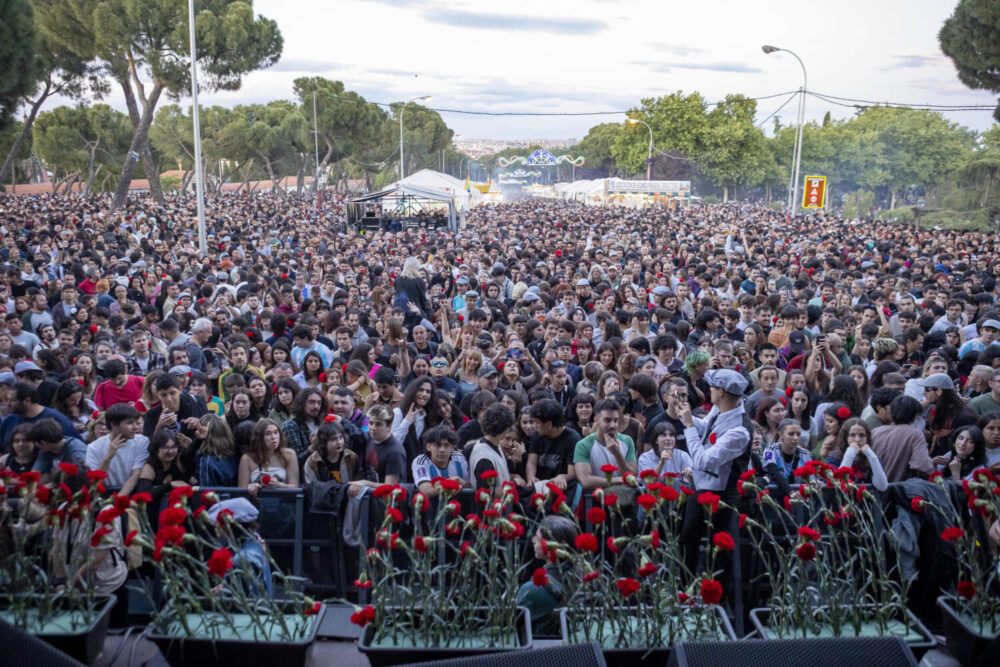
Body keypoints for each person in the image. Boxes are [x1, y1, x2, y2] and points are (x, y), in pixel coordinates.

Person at [517, 515, 578, 637]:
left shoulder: (531, 590)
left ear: (550, 549)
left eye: (538, 538)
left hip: (541, 653)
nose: (533, 540)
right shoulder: (586, 583)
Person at [572, 398, 638, 490]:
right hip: (596, 497)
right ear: (596, 420)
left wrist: (617, 454)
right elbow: (585, 480)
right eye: (607, 420)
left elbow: (633, 476)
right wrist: (617, 480)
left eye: (615, 420)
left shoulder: (627, 441)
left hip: (625, 496)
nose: (612, 425)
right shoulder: (583, 445)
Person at [84, 403, 148, 495]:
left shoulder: (142, 442)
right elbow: (96, 483)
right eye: (129, 423)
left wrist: (117, 501)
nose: (135, 427)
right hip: (104, 495)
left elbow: (136, 475)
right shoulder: (94, 447)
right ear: (114, 424)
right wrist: (108, 457)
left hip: (130, 494)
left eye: (136, 422)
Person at [871, 395, 935, 482]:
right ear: (915, 415)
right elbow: (922, 466)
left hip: (873, 488)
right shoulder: (915, 434)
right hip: (899, 489)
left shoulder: (875, 432)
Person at [349, 404, 407, 497]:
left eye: (378, 424)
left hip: (388, 502)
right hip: (372, 499)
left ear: (388, 426)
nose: (373, 428)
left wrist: (365, 483)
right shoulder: (371, 440)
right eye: (371, 423)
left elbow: (390, 487)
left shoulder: (395, 451)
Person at [527, 399, 579, 494]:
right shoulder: (536, 435)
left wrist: (563, 477)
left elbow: (572, 473)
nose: (534, 426)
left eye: (537, 422)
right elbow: (531, 462)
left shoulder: (572, 438)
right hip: (539, 487)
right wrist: (531, 477)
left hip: (560, 489)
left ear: (549, 424)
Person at [238, 418, 300, 495]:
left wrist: (279, 485)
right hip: (257, 502)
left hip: (283, 502)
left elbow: (295, 486)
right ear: (259, 438)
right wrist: (252, 487)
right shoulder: (247, 459)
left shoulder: (289, 454)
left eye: (276, 432)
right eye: (268, 434)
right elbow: (241, 490)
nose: (273, 437)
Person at [411, 424, 469, 496]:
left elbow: (468, 485)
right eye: (437, 445)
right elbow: (426, 490)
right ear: (428, 447)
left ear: (452, 447)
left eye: (446, 445)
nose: (442, 450)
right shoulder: (420, 462)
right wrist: (451, 482)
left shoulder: (459, 459)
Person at [137, 428, 198, 495]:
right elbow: (142, 494)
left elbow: (189, 453)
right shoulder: (149, 467)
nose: (170, 451)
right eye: (166, 447)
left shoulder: (179, 461)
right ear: (156, 449)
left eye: (173, 447)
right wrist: (170, 485)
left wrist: (198, 439)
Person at [29, 418, 88, 483]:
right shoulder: (45, 450)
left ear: (43, 443)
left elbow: (82, 472)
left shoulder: (76, 446)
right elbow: (35, 473)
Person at [637, 421, 693, 485]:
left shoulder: (683, 455)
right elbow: (649, 483)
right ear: (656, 440)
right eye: (663, 435)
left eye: (671, 435)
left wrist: (689, 475)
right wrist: (661, 462)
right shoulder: (645, 458)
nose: (668, 438)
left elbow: (690, 482)